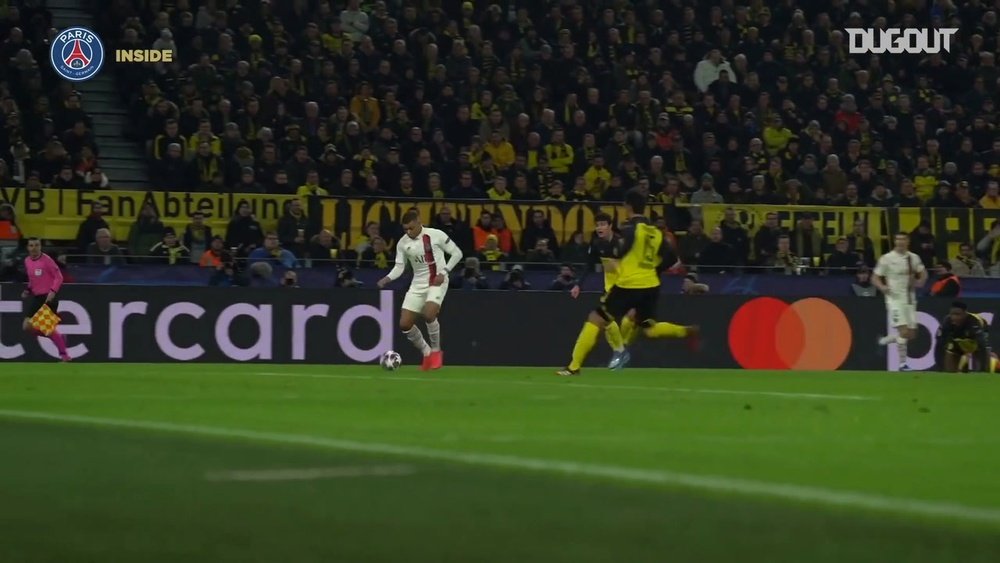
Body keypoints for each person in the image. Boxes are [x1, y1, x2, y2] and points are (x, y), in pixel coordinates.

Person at [557, 189, 699, 376]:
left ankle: (574, 367)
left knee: (596, 318)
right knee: (649, 328)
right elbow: (673, 259)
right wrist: (653, 270)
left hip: (629, 285)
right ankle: (685, 331)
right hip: (651, 286)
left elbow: (623, 248)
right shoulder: (655, 232)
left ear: (628, 207)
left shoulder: (630, 229)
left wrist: (615, 255)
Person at [377, 210, 464, 371]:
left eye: (411, 228)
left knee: (429, 314)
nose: (408, 232)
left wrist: (444, 272)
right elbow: (399, 266)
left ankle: (437, 352)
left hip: (437, 281)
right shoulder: (403, 243)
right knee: (404, 324)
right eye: (405, 229)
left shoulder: (436, 235)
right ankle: (427, 352)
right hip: (417, 284)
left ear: (419, 222)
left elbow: (457, 253)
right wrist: (387, 278)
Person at [873, 233, 928, 371]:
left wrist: (920, 282)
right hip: (894, 299)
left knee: (912, 334)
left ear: (908, 241)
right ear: (894, 241)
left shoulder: (913, 258)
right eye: (898, 239)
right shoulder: (887, 258)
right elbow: (875, 277)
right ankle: (903, 364)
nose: (900, 242)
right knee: (903, 331)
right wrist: (882, 287)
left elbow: (923, 273)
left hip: (910, 298)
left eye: (903, 239)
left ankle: (885, 340)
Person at [21, 238, 71, 361]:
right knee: (27, 326)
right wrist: (28, 290)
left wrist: (53, 292)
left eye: (36, 245)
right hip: (37, 297)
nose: (34, 248)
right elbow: (32, 280)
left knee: (46, 328)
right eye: (31, 245)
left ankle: (65, 356)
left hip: (48, 298)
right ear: (28, 248)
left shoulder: (47, 260)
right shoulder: (27, 261)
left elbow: (59, 277)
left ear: (40, 247)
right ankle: (58, 337)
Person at [935, 301, 995, 373]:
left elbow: (982, 345)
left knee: (983, 370)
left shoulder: (973, 322)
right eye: (952, 314)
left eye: (957, 314)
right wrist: (940, 366)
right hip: (958, 342)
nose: (954, 317)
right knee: (949, 372)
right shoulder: (947, 322)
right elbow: (939, 345)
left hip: (976, 343)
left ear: (965, 314)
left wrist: (983, 368)